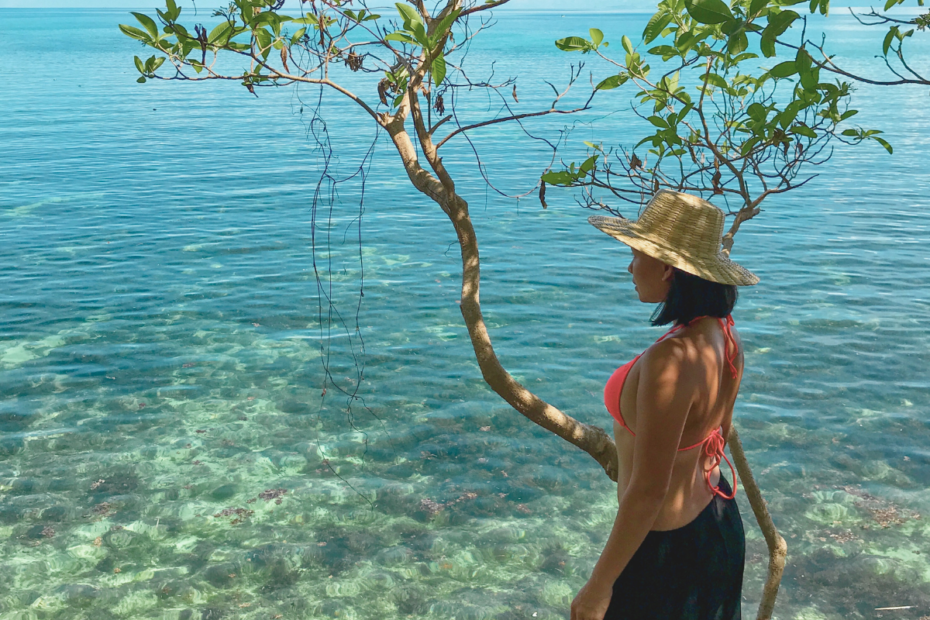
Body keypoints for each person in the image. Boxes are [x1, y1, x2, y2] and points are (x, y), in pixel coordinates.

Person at [571, 190, 758, 620]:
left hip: (667, 551)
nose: (630, 266)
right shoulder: (726, 336)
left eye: (637, 254)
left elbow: (649, 490)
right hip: (719, 519)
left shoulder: (671, 360)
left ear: (669, 268)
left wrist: (599, 587)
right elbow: (719, 433)